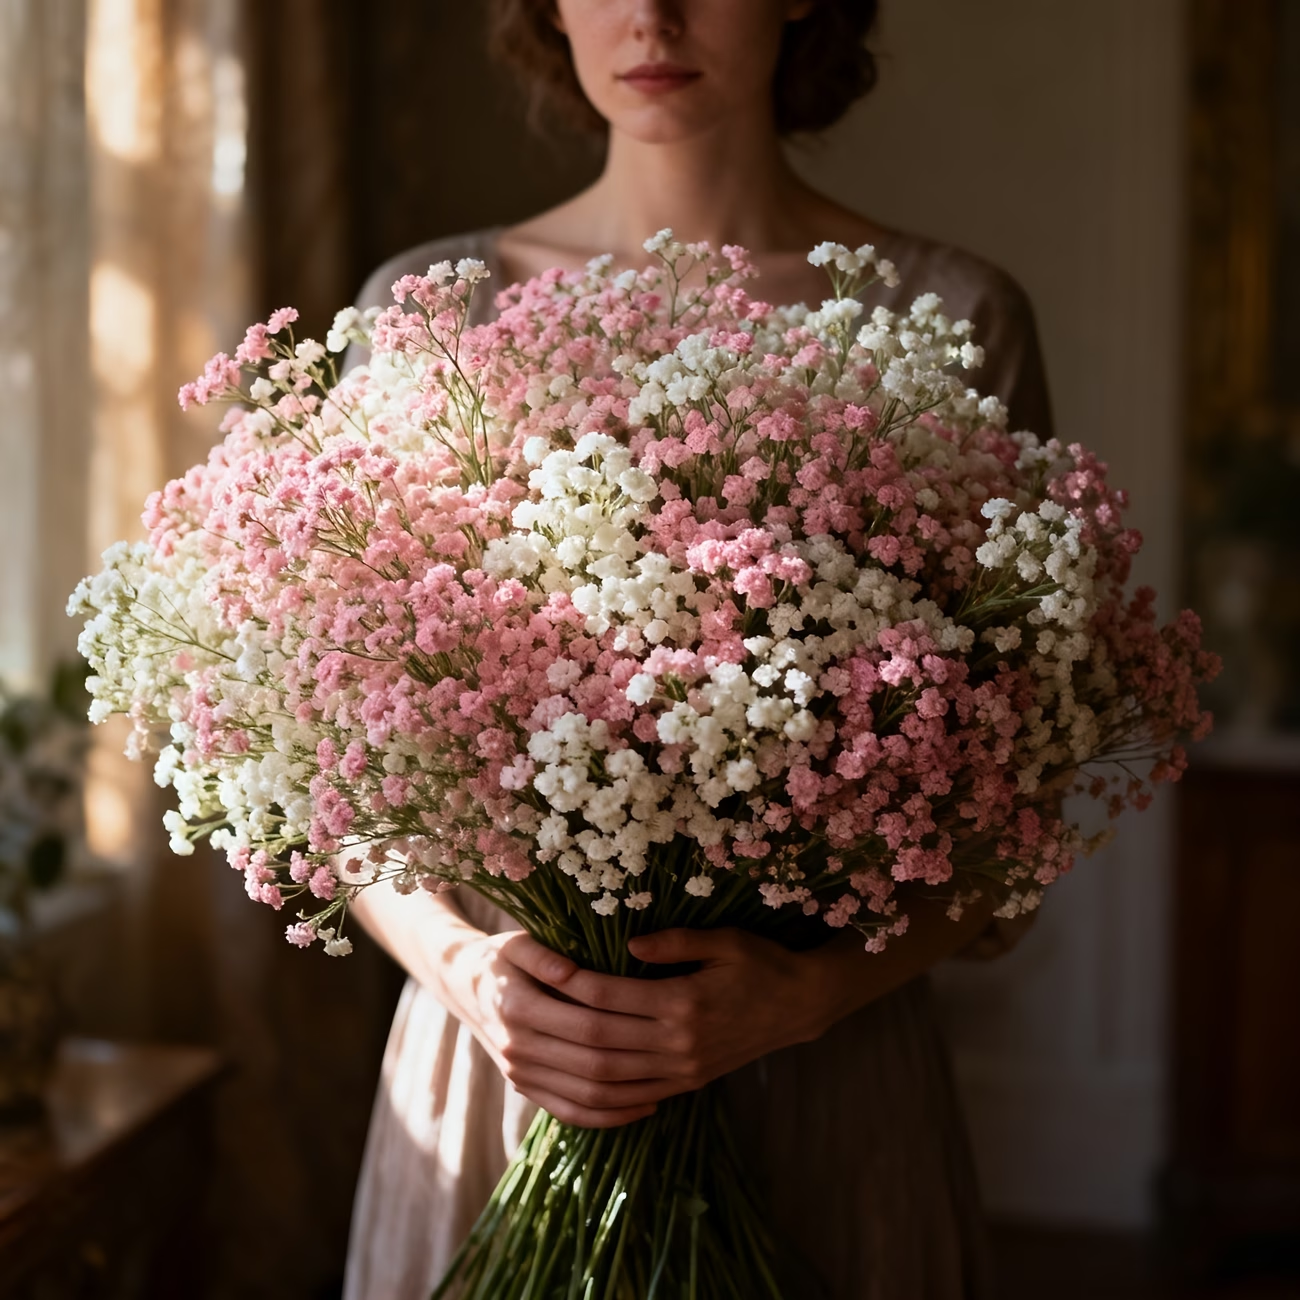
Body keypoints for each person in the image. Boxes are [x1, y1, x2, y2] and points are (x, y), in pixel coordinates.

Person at [342, 3, 1052, 1296]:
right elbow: (332, 767)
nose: (653, 14)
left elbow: (1020, 803)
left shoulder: (953, 319)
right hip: (506, 1070)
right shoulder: (425, 316)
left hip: (818, 1073)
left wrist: (806, 1000)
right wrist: (468, 969)